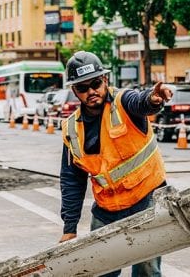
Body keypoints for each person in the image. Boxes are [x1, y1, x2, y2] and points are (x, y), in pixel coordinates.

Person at [59, 51, 173, 277]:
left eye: (96, 83)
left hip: (146, 200)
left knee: (146, 271)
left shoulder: (123, 103)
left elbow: (141, 102)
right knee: (101, 271)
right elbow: (72, 180)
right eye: (83, 88)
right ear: (74, 91)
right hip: (106, 211)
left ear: (105, 80)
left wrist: (153, 99)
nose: (91, 91)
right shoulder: (71, 129)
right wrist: (69, 229)